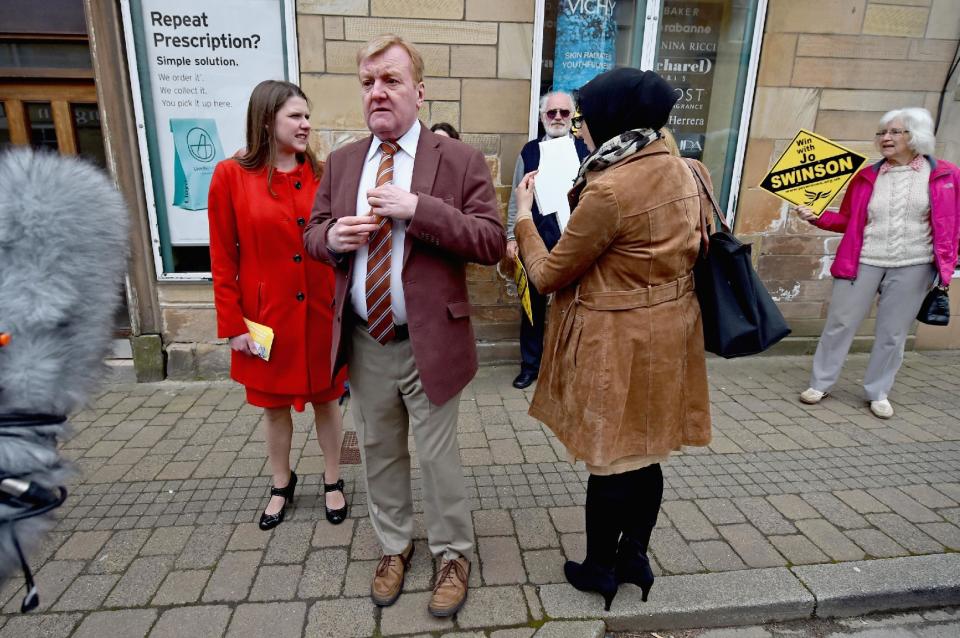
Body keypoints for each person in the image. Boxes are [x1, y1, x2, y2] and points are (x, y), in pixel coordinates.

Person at [303, 35, 505, 617]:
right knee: (380, 450)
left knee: (438, 457)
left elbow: (490, 241)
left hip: (431, 340)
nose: (378, 93)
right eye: (368, 83)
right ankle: (395, 546)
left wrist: (419, 209)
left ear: (419, 90)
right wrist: (331, 239)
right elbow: (312, 233)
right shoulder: (343, 161)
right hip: (368, 339)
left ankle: (452, 554)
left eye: (390, 80)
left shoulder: (458, 159)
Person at [513, 68, 712, 610]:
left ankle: (600, 567)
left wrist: (524, 221)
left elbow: (551, 274)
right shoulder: (691, 171)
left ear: (606, 120)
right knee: (648, 455)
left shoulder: (610, 189)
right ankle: (636, 558)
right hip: (672, 333)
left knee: (610, 460)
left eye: (583, 119)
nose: (578, 129)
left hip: (617, 338)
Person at [208, 80, 350, 531]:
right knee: (274, 408)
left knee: (329, 402)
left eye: (308, 116)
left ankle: (333, 479)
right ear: (267, 120)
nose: (306, 124)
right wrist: (233, 325)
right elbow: (222, 258)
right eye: (296, 116)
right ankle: (281, 482)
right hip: (268, 320)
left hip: (323, 315)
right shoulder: (230, 176)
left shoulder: (325, 174)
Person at [795, 107, 960, 419]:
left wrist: (948, 261)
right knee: (839, 324)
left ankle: (878, 391)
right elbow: (847, 219)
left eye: (895, 132)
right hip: (862, 260)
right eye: (882, 132)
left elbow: (955, 222)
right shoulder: (866, 176)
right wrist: (817, 216)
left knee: (893, 333)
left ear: (916, 136)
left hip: (915, 264)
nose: (886, 138)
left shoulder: (946, 175)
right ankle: (821, 383)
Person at [506, 91, 591, 389]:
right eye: (551, 112)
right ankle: (530, 366)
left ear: (572, 117)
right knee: (532, 308)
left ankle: (566, 369)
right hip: (535, 242)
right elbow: (516, 199)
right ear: (542, 116)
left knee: (573, 308)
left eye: (564, 113)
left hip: (574, 243)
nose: (557, 118)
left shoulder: (585, 152)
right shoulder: (529, 151)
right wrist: (511, 236)